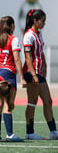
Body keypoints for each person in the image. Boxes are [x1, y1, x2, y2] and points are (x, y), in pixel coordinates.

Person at [0, 16, 26, 141]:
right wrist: (22, 77)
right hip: (9, 74)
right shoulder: (13, 40)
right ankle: (10, 134)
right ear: (12, 26)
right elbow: (17, 59)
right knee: (8, 105)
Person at [22, 9, 58, 140]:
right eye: (42, 21)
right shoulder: (28, 35)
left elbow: (40, 52)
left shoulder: (39, 33)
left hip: (39, 72)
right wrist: (34, 75)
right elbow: (27, 57)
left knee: (47, 101)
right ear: (35, 21)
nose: (44, 24)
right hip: (32, 73)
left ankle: (53, 131)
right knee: (34, 102)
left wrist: (45, 67)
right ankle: (31, 132)